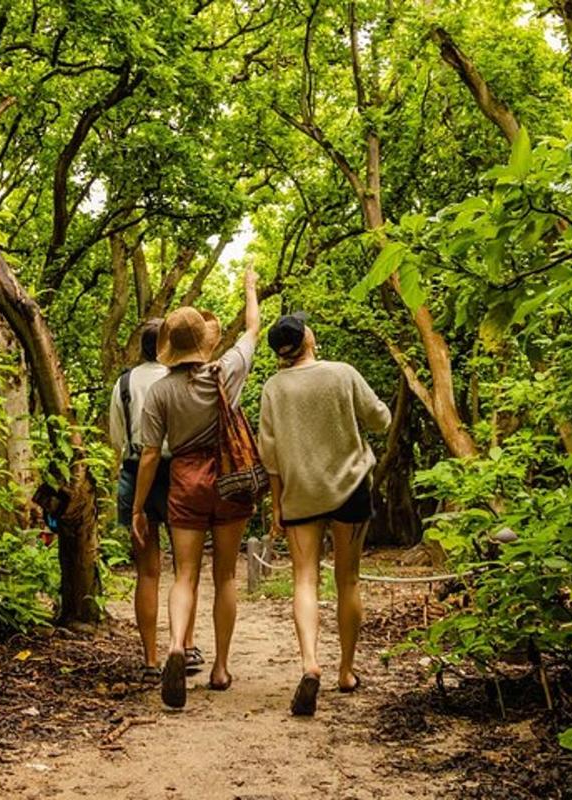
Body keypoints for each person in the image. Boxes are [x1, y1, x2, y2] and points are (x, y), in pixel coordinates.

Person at [132, 268, 261, 709]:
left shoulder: (160, 392)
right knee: (225, 574)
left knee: (183, 573)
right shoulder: (227, 371)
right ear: (203, 343)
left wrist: (136, 509)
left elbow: (150, 455)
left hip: (185, 480)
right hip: (230, 479)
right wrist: (249, 288)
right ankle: (221, 667)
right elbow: (252, 328)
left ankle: (174, 647)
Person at [258, 312, 391, 716]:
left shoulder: (273, 389)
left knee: (304, 579)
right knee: (347, 579)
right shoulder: (342, 374)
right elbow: (381, 420)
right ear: (308, 338)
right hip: (350, 487)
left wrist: (276, 504)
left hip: (300, 494)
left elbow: (271, 455)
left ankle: (309, 663)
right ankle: (346, 670)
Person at [108, 320, 201, 683]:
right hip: (179, 473)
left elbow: (119, 437)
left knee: (146, 572)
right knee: (186, 569)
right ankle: (186, 645)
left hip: (135, 473)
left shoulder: (125, 383)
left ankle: (149, 659)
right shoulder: (181, 379)